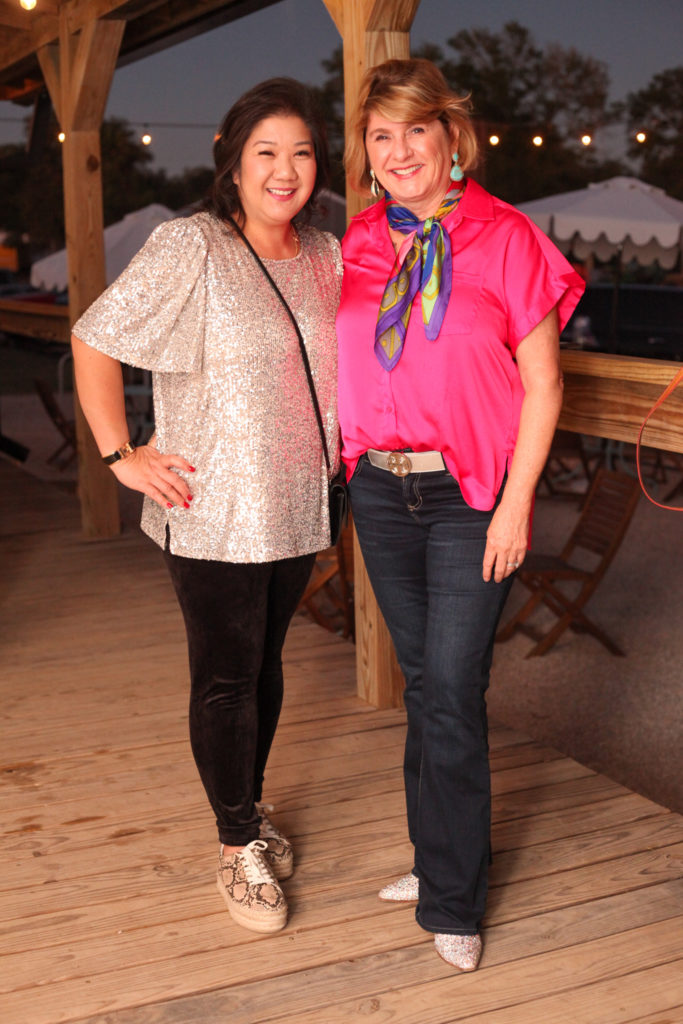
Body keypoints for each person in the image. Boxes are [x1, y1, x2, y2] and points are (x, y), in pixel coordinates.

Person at [71, 78, 342, 935]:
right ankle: (234, 847)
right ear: (232, 162)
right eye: (266, 151)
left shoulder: (328, 253)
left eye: (300, 151)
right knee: (226, 677)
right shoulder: (192, 243)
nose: (284, 168)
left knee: (263, 668)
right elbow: (95, 336)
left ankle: (247, 807)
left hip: (299, 503)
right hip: (214, 502)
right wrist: (122, 454)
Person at [337, 58, 584, 971]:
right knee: (425, 684)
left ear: (452, 138)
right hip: (380, 489)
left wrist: (516, 505)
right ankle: (435, 854)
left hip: (470, 493)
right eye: (380, 135)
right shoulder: (360, 239)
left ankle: (453, 899)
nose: (398, 150)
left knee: (452, 688)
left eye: (415, 130)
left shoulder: (507, 237)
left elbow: (545, 384)